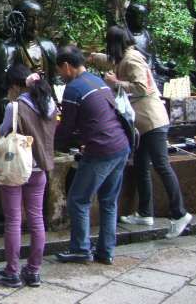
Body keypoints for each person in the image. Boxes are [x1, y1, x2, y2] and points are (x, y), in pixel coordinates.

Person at [90, 26, 192, 239]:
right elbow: (112, 62)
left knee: (162, 166)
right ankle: (145, 213)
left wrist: (116, 83)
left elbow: (142, 87)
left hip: (152, 121)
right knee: (141, 166)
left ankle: (179, 213)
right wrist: (92, 57)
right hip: (142, 124)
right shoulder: (124, 57)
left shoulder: (133, 59)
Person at [54, 45, 129, 265]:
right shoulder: (97, 80)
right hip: (121, 145)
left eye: (59, 70)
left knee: (78, 199)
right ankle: (106, 251)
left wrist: (47, 142)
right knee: (108, 200)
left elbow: (66, 128)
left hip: (101, 149)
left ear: (67, 66)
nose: (59, 75)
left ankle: (80, 248)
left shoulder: (73, 89)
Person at [0, 64, 56, 289]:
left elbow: (3, 133)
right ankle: (34, 271)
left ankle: (12, 271)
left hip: (16, 168)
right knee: (37, 219)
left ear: (16, 86)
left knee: (14, 220)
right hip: (40, 169)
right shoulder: (50, 103)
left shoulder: (15, 106)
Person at [0, 0, 58, 121]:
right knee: (3, 106)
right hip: (19, 103)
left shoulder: (47, 46)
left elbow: (55, 81)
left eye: (38, 19)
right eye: (31, 19)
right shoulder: (6, 49)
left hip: (47, 100)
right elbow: (2, 90)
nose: (35, 24)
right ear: (18, 20)